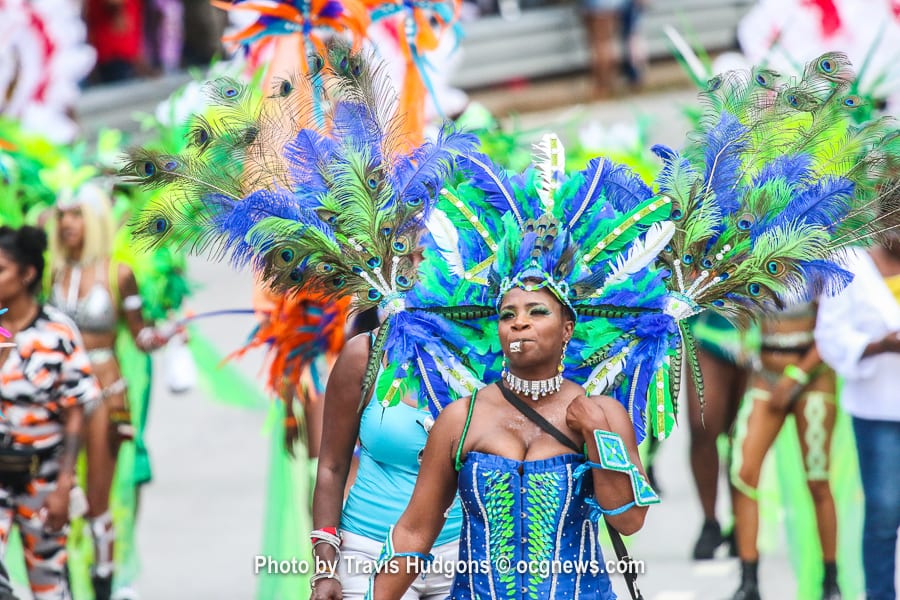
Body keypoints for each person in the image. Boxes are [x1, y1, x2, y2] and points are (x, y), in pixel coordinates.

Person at [366, 276, 653, 599]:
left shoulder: (603, 413)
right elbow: (414, 531)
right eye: (508, 315)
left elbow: (629, 520)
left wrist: (597, 431)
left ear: (567, 329)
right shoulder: (461, 418)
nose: (520, 323)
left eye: (537, 312)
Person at [48, 182, 172, 600]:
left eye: (77, 215)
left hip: (104, 394)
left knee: (98, 498)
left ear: (96, 220)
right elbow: (18, 321)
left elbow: (141, 337)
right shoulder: (51, 274)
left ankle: (103, 583)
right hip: (55, 394)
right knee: (55, 493)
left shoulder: (119, 274)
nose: (68, 224)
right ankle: (59, 582)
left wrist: (163, 335)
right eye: (62, 215)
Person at [0, 225, 100, 600]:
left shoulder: (57, 332)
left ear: (26, 274)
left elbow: (76, 411)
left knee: (48, 586)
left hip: (41, 479)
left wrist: (63, 487)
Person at [730, 303, 840, 600]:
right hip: (766, 375)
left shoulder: (821, 263)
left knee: (817, 479)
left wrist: (795, 378)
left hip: (812, 376)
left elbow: (833, 329)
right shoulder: (753, 256)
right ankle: (748, 581)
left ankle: (831, 581)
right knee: (743, 474)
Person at [815, 240, 900, 600]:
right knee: (883, 512)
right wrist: (879, 345)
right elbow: (829, 336)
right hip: (877, 410)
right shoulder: (850, 264)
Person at [685, 313, 748, 559]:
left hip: (757, 329)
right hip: (707, 329)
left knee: (742, 434)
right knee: (702, 425)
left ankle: (741, 521)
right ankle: (710, 521)